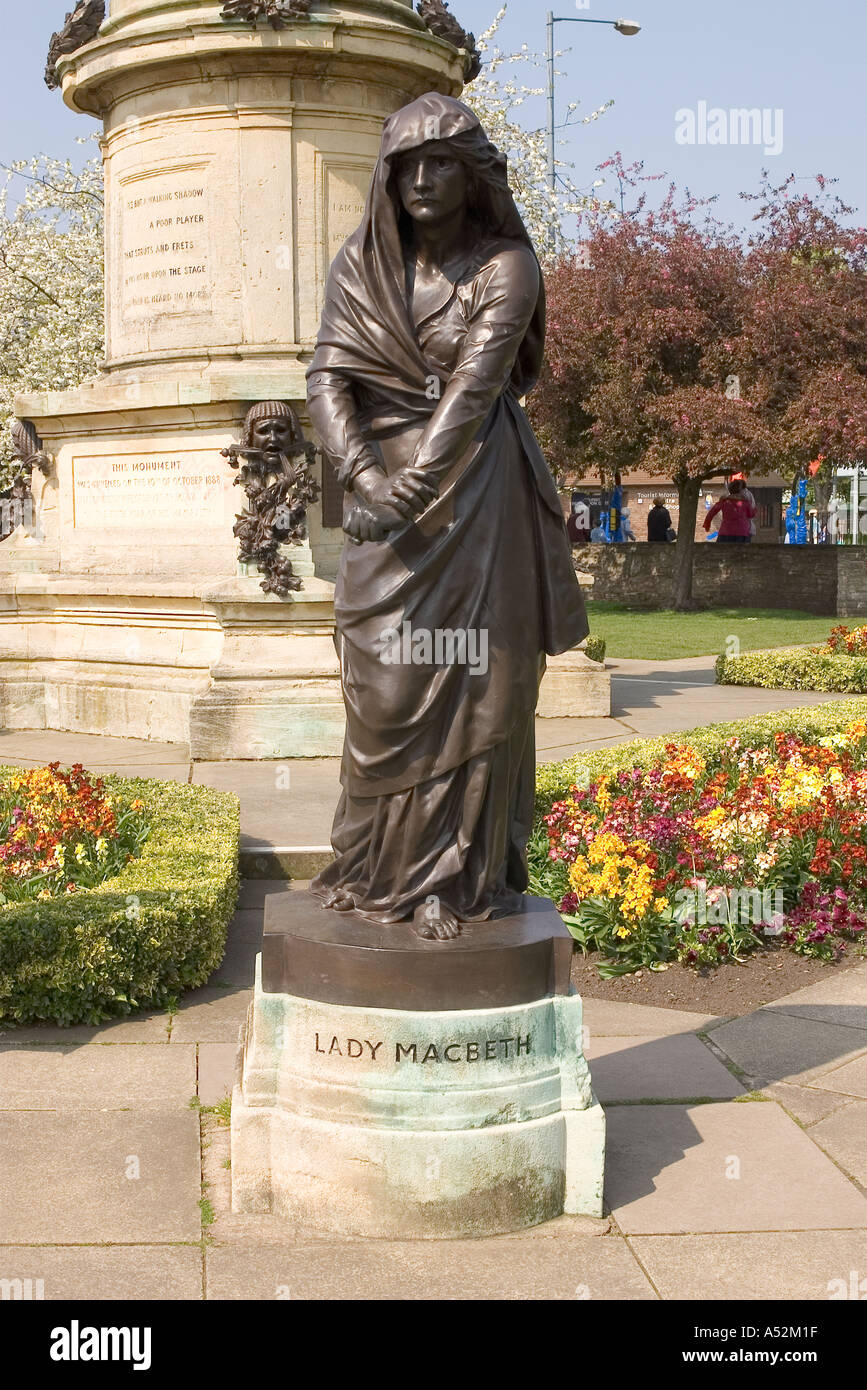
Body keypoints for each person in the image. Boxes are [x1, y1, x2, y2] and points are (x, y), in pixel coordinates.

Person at [306, 92, 588, 941]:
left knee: (476, 684)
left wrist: (405, 493)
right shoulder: (362, 267)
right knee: (382, 690)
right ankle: (375, 866)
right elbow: (327, 378)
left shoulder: (506, 266)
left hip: (476, 499)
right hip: (381, 505)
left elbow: (472, 391)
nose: (422, 179)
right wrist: (362, 475)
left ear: (474, 179)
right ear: (386, 178)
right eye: (406, 166)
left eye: (442, 164)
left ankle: (451, 879)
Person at [703, 478, 756, 543]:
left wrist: (707, 523)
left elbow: (712, 511)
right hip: (742, 532)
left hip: (725, 532)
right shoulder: (745, 503)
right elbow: (751, 514)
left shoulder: (725, 502)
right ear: (740, 491)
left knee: (720, 551)